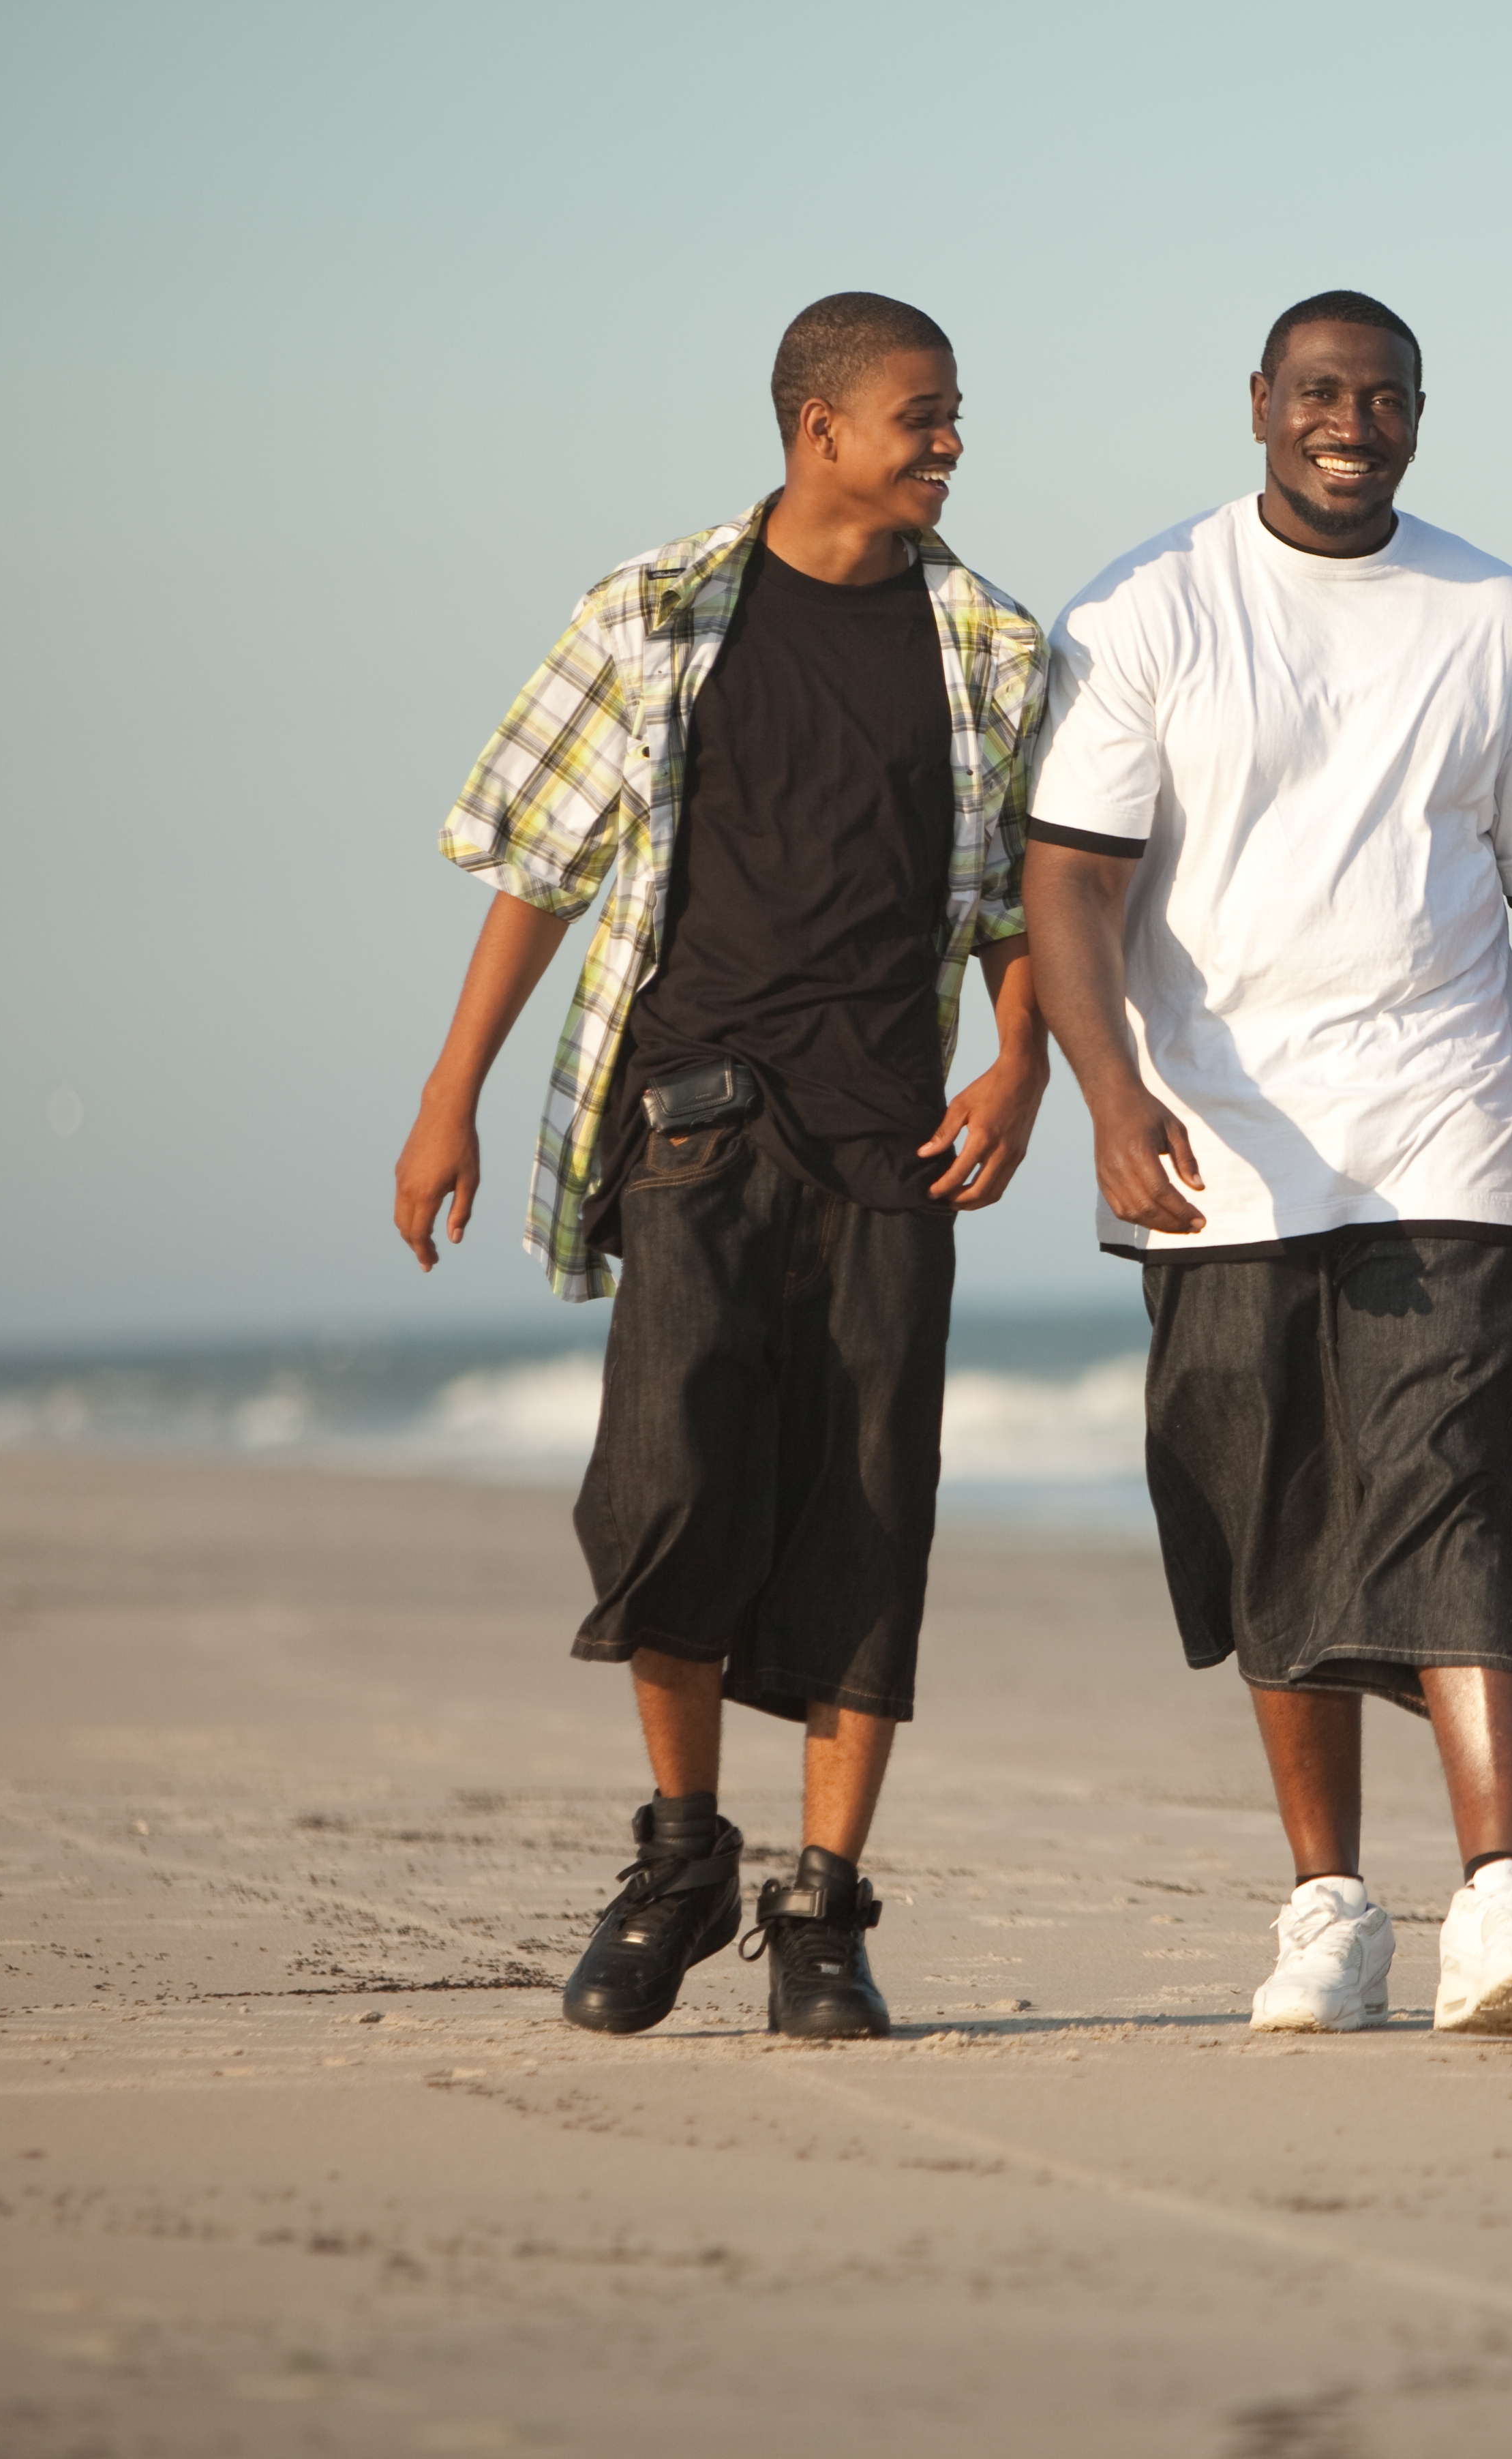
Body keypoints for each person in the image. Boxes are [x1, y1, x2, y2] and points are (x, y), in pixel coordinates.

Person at [391, 293, 1051, 2044]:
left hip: (895, 1138)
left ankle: (821, 1914)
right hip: (692, 1115)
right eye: (924, 414)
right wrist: (449, 1092)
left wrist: (1024, 1059)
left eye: (958, 412)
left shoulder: (990, 645)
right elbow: (535, 863)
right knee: (663, 1490)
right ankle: (682, 1853)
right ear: (817, 426)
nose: (952, 442)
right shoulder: (655, 611)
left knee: (868, 1511)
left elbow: (1023, 907)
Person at [1023, 290, 1512, 2038]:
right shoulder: (1146, 606)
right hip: (1216, 1143)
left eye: (1381, 398)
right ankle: (1330, 1914)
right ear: (1257, 406)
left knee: (1451, 1484)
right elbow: (1067, 878)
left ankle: (1499, 1892)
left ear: (1420, 417)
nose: (1348, 423)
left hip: (1447, 1124)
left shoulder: (1497, 617)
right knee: (1265, 1513)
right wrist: (1108, 1089)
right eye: (1317, 393)